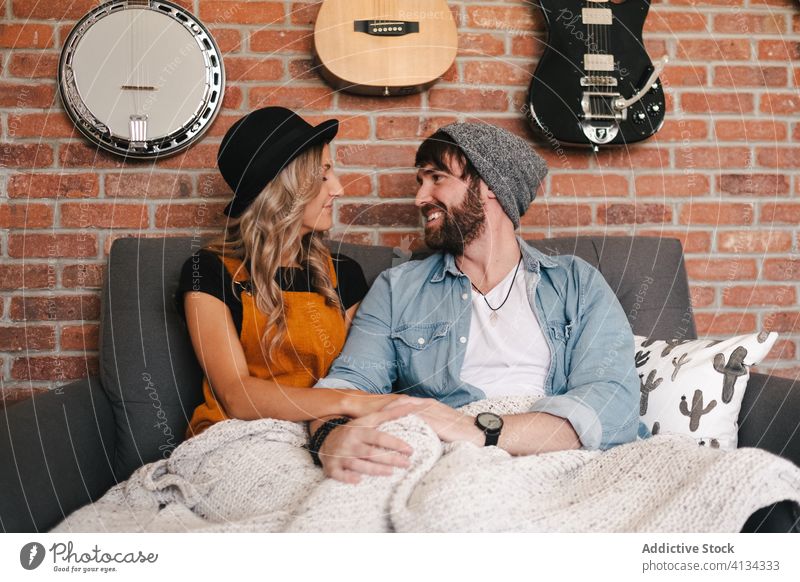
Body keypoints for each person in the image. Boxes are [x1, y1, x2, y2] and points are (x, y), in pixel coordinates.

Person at [308, 122, 643, 484]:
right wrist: (332, 436)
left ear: (488, 187)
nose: (420, 198)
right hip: (446, 461)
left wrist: (480, 430)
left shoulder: (577, 283)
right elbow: (349, 383)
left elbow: (612, 399)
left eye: (436, 178)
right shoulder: (398, 288)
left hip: (547, 451)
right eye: (420, 181)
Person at [176, 107, 413, 438]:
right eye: (324, 175)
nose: (339, 188)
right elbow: (237, 396)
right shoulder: (208, 271)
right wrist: (347, 402)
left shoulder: (344, 273)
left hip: (328, 430)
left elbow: (361, 370)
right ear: (285, 188)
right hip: (239, 433)